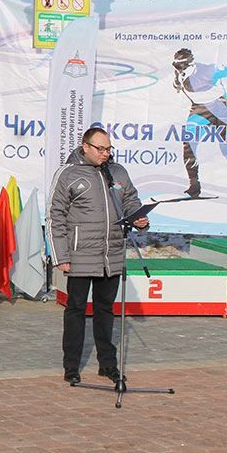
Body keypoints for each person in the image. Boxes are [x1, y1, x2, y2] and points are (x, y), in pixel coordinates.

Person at [47, 127, 149, 385]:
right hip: (80, 255)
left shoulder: (117, 172)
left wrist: (139, 218)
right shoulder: (68, 174)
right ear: (85, 147)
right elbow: (54, 216)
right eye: (100, 149)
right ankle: (71, 366)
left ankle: (108, 364)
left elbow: (130, 202)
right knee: (76, 310)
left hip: (111, 256)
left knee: (105, 310)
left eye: (108, 149)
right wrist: (61, 255)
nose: (105, 154)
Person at [171, 48, 227, 197]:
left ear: (189, 63)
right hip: (198, 109)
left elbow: (226, 70)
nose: (179, 70)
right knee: (189, 143)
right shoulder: (178, 75)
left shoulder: (209, 69)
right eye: (176, 66)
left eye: (181, 66)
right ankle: (194, 186)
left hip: (218, 107)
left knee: (226, 146)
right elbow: (178, 86)